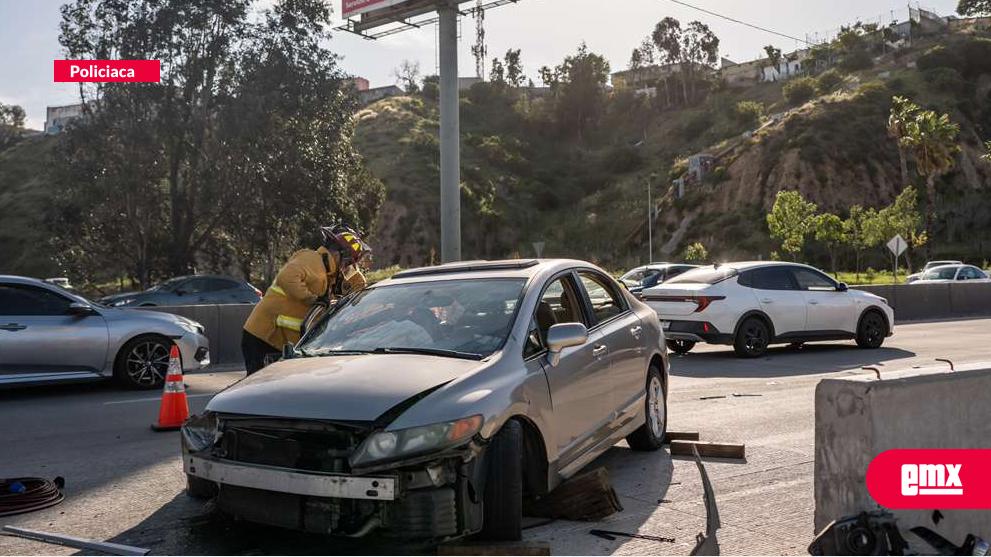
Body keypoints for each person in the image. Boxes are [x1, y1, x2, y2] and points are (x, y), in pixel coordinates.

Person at [241, 225, 370, 375]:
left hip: (281, 341)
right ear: (337, 254)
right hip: (264, 336)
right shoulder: (312, 260)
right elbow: (287, 278)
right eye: (347, 263)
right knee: (259, 387)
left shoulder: (329, 274)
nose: (346, 268)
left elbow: (357, 288)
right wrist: (312, 299)